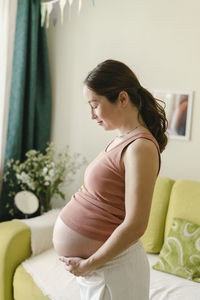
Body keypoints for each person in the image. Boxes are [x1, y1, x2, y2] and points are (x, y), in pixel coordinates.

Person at [53, 59, 168, 300]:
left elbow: (136, 224)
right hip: (102, 271)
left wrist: (89, 263)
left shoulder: (141, 148)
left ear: (123, 99)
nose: (91, 114)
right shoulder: (121, 139)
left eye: (95, 105)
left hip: (115, 271)